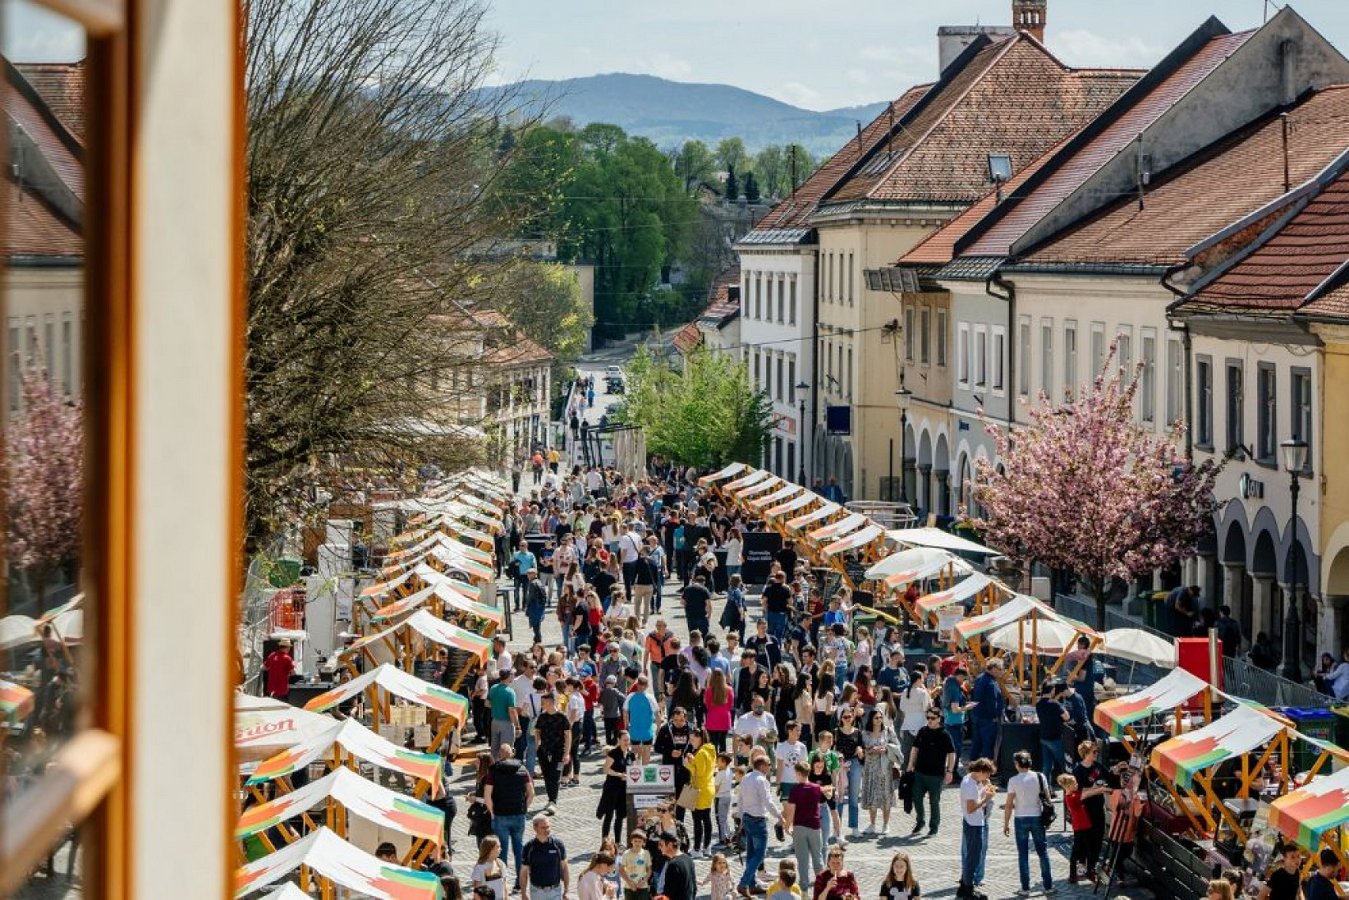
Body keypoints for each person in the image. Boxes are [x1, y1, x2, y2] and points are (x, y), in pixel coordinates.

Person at [1002, 750, 1055, 897]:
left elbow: (1008, 804)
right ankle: (1048, 886)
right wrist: (1048, 819)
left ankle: (1025, 888)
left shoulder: (1013, 781)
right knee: (1043, 853)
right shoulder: (1040, 776)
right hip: (1037, 817)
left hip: (1021, 818)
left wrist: (1006, 823)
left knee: (1023, 854)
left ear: (1018, 764)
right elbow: (1048, 799)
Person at [484, 744, 534, 884]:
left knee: (501, 851)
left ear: (499, 754)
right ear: (512, 753)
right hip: (518, 814)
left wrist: (492, 813)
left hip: (500, 816)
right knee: (519, 850)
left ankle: (502, 882)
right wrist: (524, 808)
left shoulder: (493, 770)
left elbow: (487, 795)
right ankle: (520, 881)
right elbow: (531, 792)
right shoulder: (522, 769)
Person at [737, 755, 784, 895]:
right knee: (759, 854)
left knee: (751, 853)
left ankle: (751, 885)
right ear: (762, 766)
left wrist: (740, 819)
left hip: (747, 818)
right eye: (769, 764)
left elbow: (740, 799)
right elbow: (767, 802)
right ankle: (744, 882)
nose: (770, 767)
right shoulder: (761, 780)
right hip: (758, 820)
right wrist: (779, 815)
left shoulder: (746, 777)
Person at [907, 706, 956, 837]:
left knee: (934, 801)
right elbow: (915, 749)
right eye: (927, 717)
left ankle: (933, 827)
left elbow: (952, 753)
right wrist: (910, 764)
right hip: (920, 772)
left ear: (939, 719)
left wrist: (950, 771)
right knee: (916, 797)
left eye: (932, 718)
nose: (929, 720)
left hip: (936, 775)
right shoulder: (922, 731)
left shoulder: (945, 734)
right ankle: (920, 821)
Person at [1070, 741, 1115, 880]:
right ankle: (1082, 869)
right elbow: (1077, 791)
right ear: (1086, 753)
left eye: (1097, 752)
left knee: (1098, 838)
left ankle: (1092, 869)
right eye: (1094, 752)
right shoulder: (1077, 771)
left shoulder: (1098, 767)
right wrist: (1096, 788)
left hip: (1098, 808)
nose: (1096, 754)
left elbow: (1110, 779)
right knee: (1085, 841)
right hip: (1084, 811)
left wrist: (1117, 770)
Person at [957, 758, 997, 900]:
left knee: (970, 856)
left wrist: (984, 787)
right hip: (973, 823)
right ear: (980, 771)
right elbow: (971, 808)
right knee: (973, 858)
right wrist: (987, 798)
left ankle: (963, 886)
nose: (988, 778)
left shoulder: (971, 779)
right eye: (987, 775)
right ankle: (968, 889)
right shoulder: (970, 785)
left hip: (972, 822)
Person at [784, 761, 828, 885]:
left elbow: (791, 811)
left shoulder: (794, 790)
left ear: (798, 773)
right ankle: (821, 886)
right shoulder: (816, 788)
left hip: (799, 828)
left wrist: (787, 826)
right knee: (818, 858)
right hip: (815, 827)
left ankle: (804, 889)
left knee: (803, 861)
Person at [859, 708, 898, 835]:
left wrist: (885, 749)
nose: (879, 720)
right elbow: (861, 748)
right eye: (876, 718)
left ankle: (886, 824)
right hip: (870, 768)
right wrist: (869, 750)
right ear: (871, 719)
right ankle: (872, 824)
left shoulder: (887, 731)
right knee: (872, 794)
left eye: (880, 717)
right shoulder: (865, 733)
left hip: (884, 767)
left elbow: (897, 745)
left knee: (886, 794)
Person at [533, 692, 571, 815]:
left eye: (543, 702)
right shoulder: (542, 717)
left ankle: (552, 801)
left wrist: (567, 753)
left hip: (558, 752)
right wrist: (537, 744)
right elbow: (537, 731)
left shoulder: (562, 717)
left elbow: (568, 735)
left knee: (555, 776)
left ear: (550, 702)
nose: (541, 704)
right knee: (547, 776)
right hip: (543, 751)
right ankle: (550, 800)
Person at [684, 728, 717, 857]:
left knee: (697, 820)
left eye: (693, 739)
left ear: (700, 738)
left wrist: (688, 764)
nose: (691, 742)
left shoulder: (702, 752)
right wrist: (693, 760)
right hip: (708, 787)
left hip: (700, 789)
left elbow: (699, 772)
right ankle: (707, 847)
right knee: (706, 819)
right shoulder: (710, 749)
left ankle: (697, 849)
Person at [520, 815, 569, 900]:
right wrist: (523, 893)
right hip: (537, 892)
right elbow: (523, 872)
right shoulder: (529, 847)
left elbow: (565, 868)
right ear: (535, 828)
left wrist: (566, 890)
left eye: (548, 827)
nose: (547, 830)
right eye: (543, 827)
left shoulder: (558, 845)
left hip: (555, 890)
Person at [598, 732, 634, 844]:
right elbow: (605, 769)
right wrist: (619, 775)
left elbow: (633, 770)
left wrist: (629, 777)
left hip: (623, 789)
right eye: (624, 740)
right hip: (612, 788)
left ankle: (618, 841)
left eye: (628, 740)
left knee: (620, 816)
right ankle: (605, 840)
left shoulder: (630, 754)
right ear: (619, 740)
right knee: (609, 815)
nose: (626, 742)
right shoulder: (614, 753)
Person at [968, 659, 1005, 763]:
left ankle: (972, 768)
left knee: (976, 744)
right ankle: (985, 771)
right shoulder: (990, 682)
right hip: (988, 719)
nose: (1002, 671)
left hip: (977, 716)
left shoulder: (979, 678)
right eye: (1000, 669)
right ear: (993, 668)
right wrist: (996, 716)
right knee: (987, 746)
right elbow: (993, 703)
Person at [1058, 773, 1093, 884]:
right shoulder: (1071, 797)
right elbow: (1086, 794)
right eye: (1075, 783)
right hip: (1081, 826)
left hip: (1083, 825)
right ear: (1068, 786)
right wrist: (1101, 789)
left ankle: (1084, 872)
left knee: (1084, 849)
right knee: (1079, 850)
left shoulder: (1073, 794)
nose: (1077, 784)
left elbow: (1085, 791)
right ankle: (1075, 874)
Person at [1034, 681, 1070, 786]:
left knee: (1047, 765)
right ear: (1052, 691)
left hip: (1044, 737)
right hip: (1055, 738)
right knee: (1064, 764)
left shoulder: (1038, 704)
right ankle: (1067, 786)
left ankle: (1045, 789)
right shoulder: (1055, 703)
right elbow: (1066, 716)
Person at [941, 667, 973, 764]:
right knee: (956, 750)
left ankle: (951, 771)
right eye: (963, 678)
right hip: (954, 723)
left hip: (950, 722)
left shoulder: (949, 684)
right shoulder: (954, 688)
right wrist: (968, 707)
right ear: (959, 676)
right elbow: (955, 709)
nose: (964, 681)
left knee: (952, 750)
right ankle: (953, 772)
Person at [625, 675, 660, 764]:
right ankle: (643, 771)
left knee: (634, 750)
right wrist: (658, 728)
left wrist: (626, 725)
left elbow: (624, 711)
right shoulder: (650, 697)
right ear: (647, 686)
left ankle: (634, 772)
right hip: (646, 730)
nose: (641, 686)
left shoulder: (630, 696)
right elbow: (657, 714)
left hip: (635, 729)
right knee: (646, 751)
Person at [655, 830, 697, 900]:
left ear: (670, 845)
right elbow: (694, 888)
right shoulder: (688, 859)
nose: (659, 848)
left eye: (661, 845)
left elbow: (669, 894)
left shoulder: (673, 865)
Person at [619, 831, 652, 900]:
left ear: (643, 842)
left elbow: (649, 870)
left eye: (640, 841)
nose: (637, 843)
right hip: (629, 887)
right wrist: (629, 882)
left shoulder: (646, 853)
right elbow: (621, 870)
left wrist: (644, 881)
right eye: (635, 841)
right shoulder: (626, 853)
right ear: (631, 841)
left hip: (643, 886)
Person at [762, 571, 793, 641]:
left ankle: (770, 648)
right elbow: (790, 602)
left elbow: (764, 601)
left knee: (770, 633)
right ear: (783, 578)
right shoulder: (786, 589)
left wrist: (765, 610)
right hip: (781, 614)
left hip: (770, 613)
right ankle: (777, 648)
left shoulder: (768, 588)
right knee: (779, 634)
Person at [681, 574, 713, 638]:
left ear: (695, 580)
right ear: (704, 582)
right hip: (702, 615)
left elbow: (682, 602)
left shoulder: (687, 589)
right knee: (705, 635)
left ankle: (693, 647)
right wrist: (709, 615)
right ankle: (706, 647)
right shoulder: (704, 589)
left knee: (693, 636)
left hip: (691, 616)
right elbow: (709, 604)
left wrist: (686, 611)